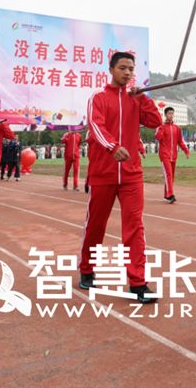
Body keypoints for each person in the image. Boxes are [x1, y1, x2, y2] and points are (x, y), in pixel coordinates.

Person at [77, 52, 162, 304]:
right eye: (122, 68)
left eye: (131, 69)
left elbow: (155, 120)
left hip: (131, 174)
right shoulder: (99, 98)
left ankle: (138, 282)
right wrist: (113, 147)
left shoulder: (135, 99)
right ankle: (87, 269)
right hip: (103, 172)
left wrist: (143, 98)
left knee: (134, 227)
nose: (127, 73)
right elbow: (96, 126)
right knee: (96, 225)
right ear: (111, 69)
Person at [154, 107, 189, 203]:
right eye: (169, 113)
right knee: (168, 174)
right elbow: (158, 138)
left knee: (171, 176)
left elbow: (180, 142)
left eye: (172, 113)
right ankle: (170, 195)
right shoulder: (161, 126)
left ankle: (166, 194)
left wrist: (186, 151)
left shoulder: (177, 128)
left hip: (174, 156)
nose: (171, 115)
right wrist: (160, 128)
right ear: (165, 115)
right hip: (164, 155)